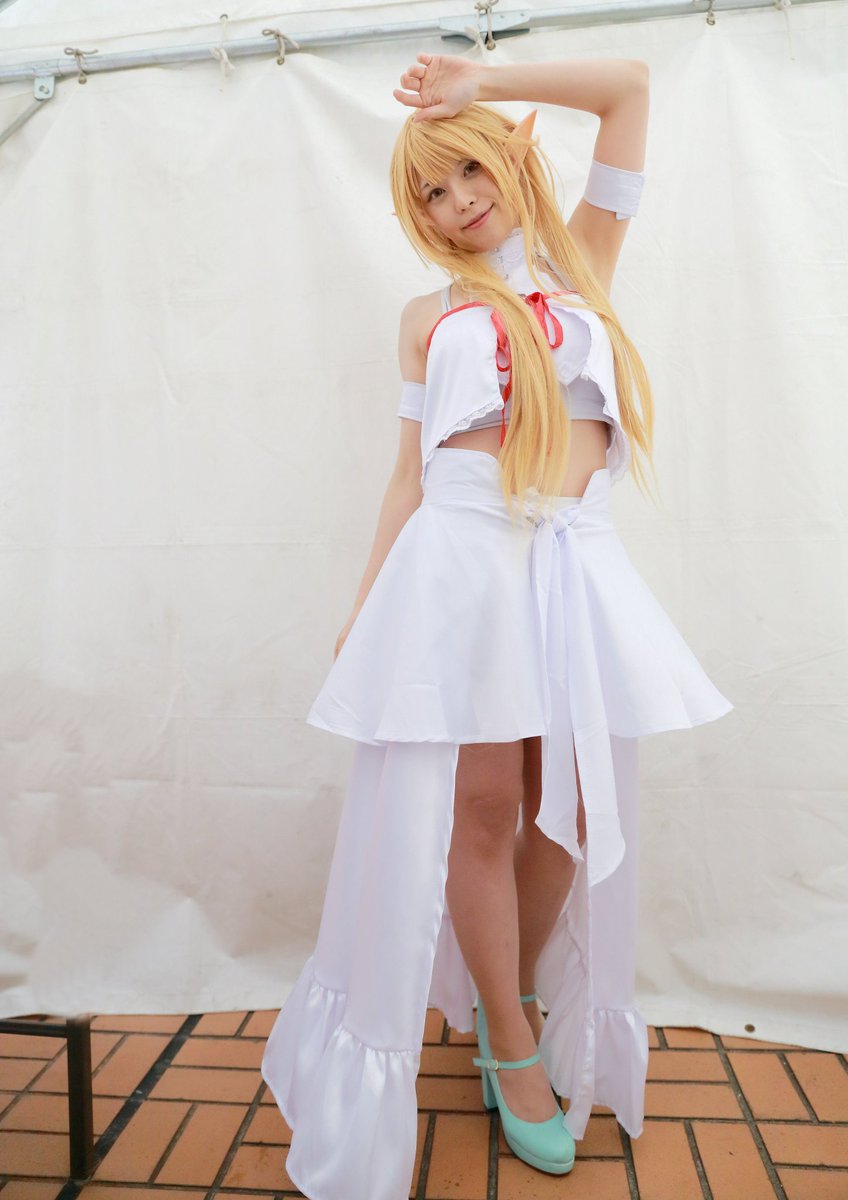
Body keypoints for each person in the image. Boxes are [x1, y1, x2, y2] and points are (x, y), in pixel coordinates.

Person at [261, 52, 734, 1200]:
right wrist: (367, 605)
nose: (456, 201)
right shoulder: (425, 318)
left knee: (569, 810)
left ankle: (503, 991)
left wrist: (482, 80)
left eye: (468, 170)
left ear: (508, 158)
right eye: (429, 191)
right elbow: (407, 476)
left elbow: (628, 90)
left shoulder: (583, 261)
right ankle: (509, 1043)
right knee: (480, 809)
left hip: (573, 563)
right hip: (462, 567)